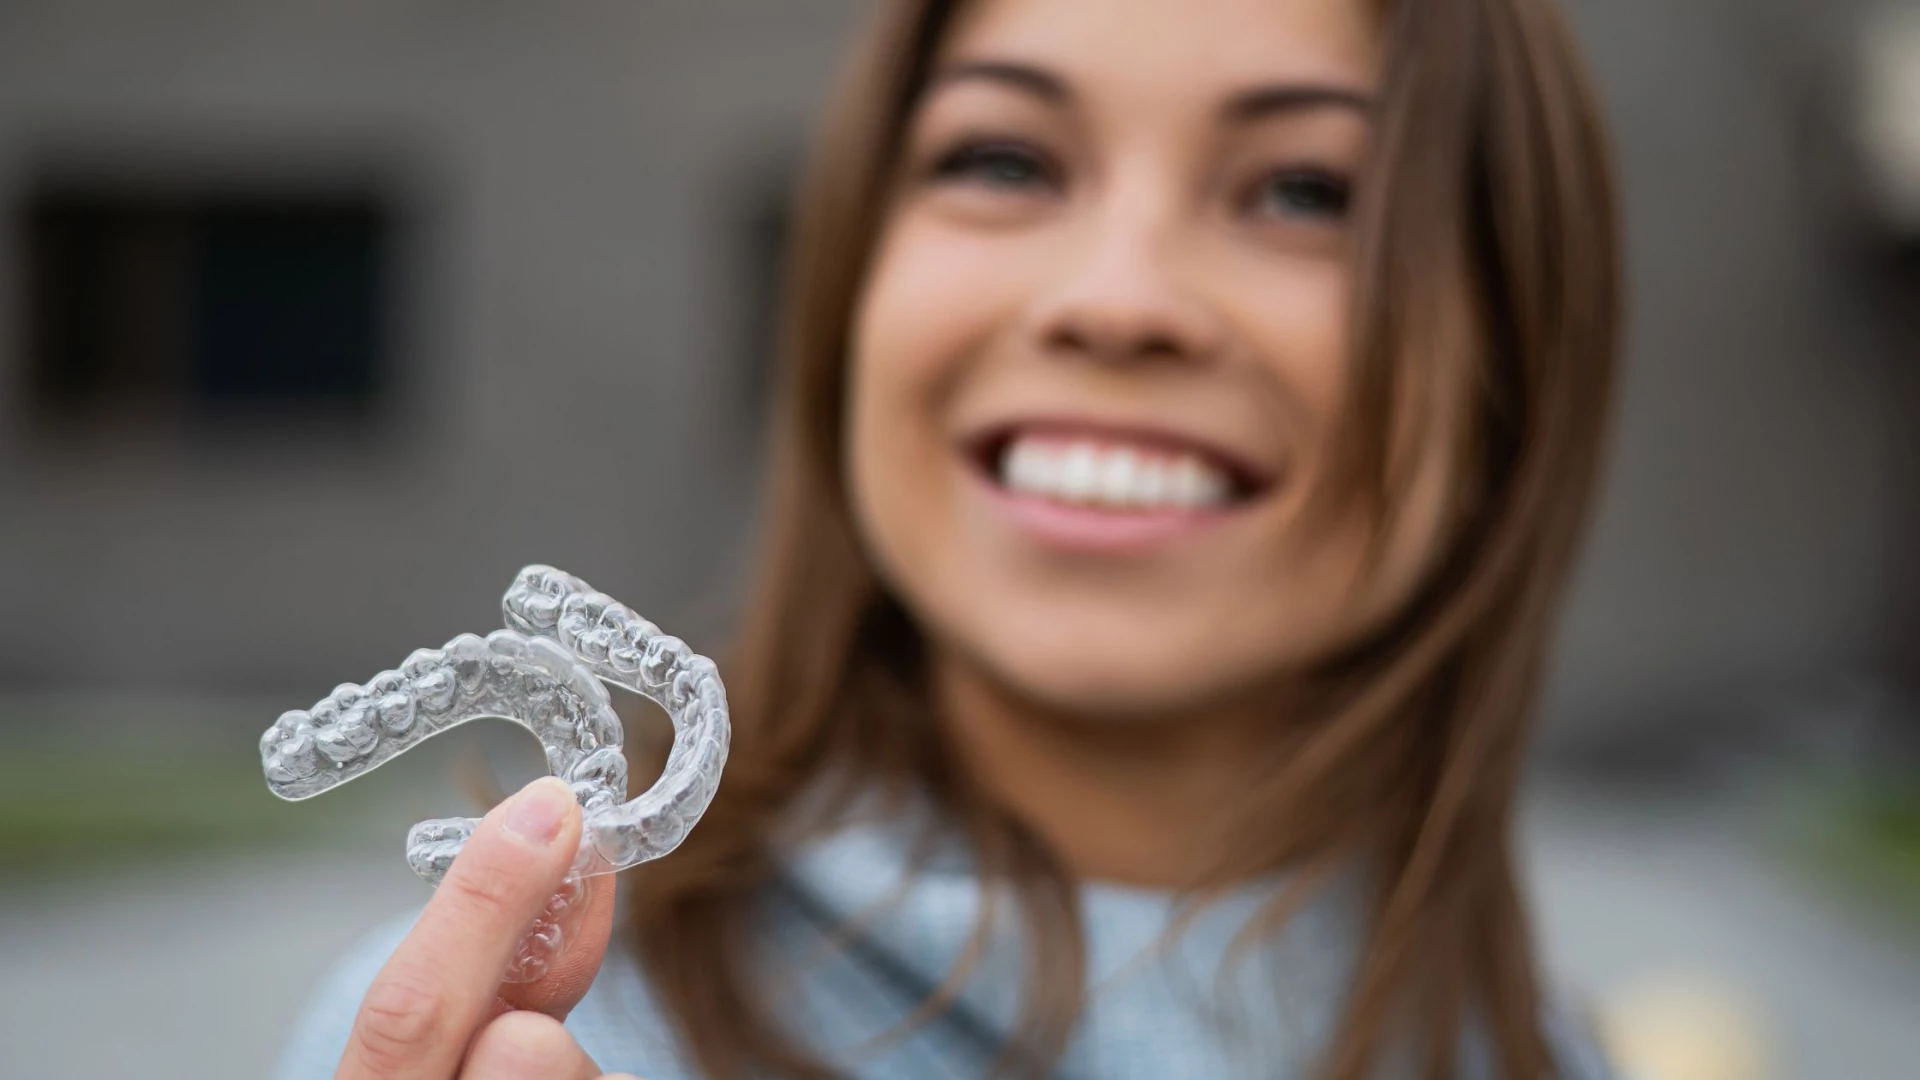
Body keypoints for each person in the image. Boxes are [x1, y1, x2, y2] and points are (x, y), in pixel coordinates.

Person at [278, 0, 1621, 1076]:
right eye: (1004, 160)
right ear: (851, 291)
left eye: (1308, 192)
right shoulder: (500, 1039)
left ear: (1509, 361)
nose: (1116, 298)